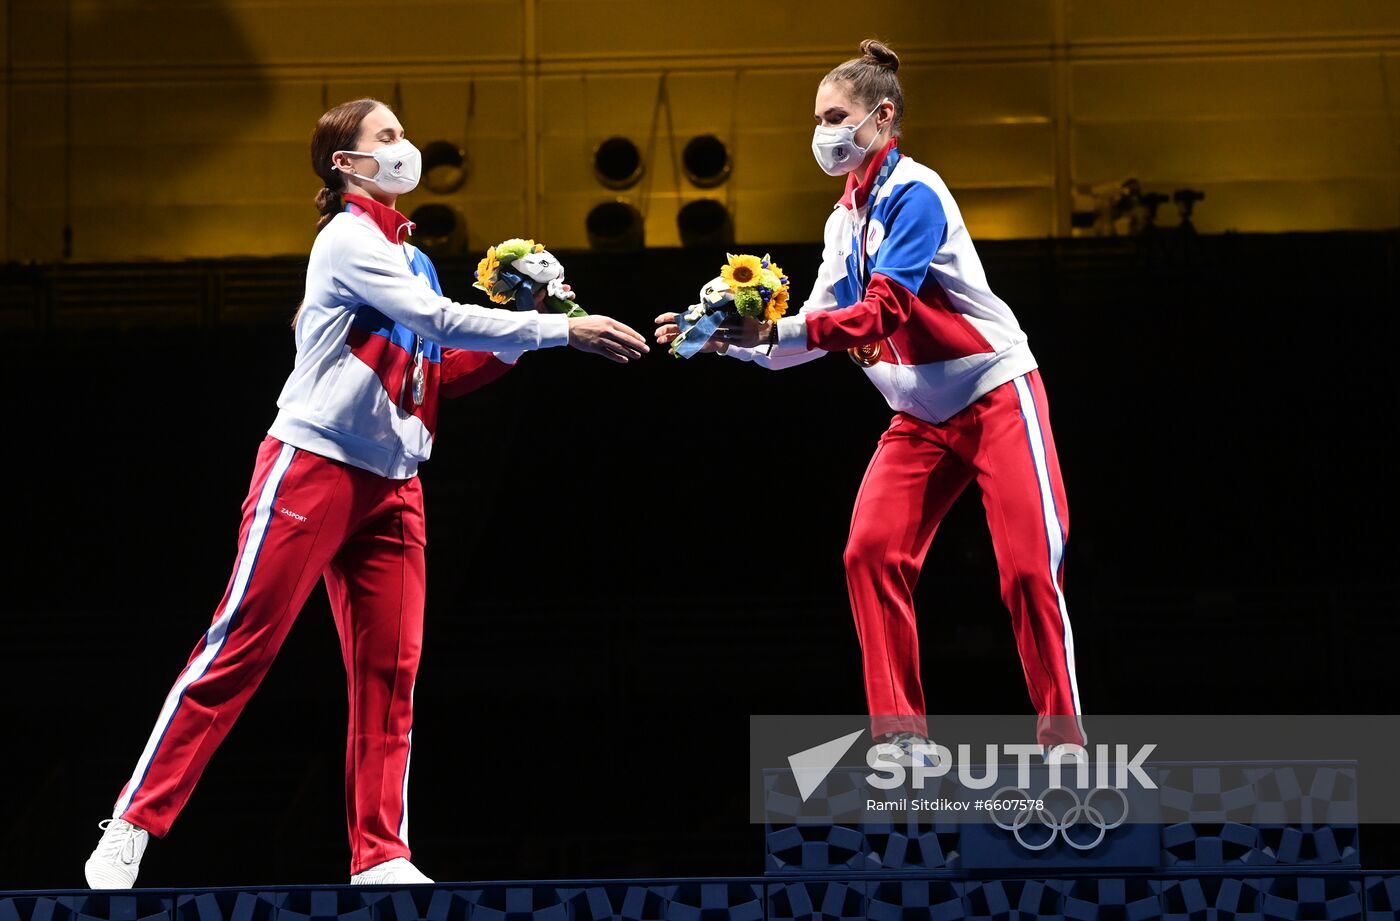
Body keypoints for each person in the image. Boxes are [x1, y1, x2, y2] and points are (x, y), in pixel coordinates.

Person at [84, 98, 649, 888]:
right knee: (240, 645)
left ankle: (380, 852)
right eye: (385, 137)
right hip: (312, 468)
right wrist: (559, 329)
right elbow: (436, 320)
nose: (404, 146)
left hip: (396, 486)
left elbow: (437, 369)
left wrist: (520, 327)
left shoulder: (411, 255)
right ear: (346, 164)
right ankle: (132, 824)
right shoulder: (347, 240)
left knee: (391, 674)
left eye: (400, 133)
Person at [656, 40, 1085, 761]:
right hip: (920, 417)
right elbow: (811, 333)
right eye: (817, 119)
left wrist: (773, 328)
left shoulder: (916, 193)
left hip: (995, 394)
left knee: (1027, 568)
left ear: (881, 118)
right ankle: (902, 741)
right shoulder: (841, 220)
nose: (822, 133)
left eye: (835, 116)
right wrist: (729, 340)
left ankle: (1065, 741)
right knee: (870, 551)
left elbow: (881, 313)